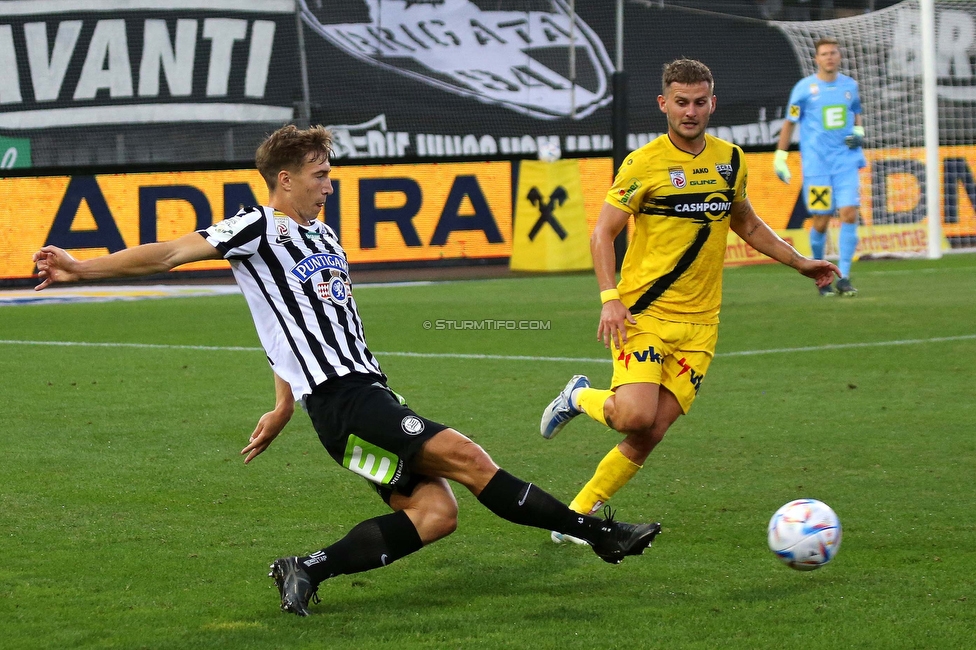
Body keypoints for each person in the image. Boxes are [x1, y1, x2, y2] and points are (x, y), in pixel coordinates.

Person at [32, 124, 662, 618]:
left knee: (436, 517)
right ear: (284, 179)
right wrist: (84, 268)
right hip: (348, 403)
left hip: (345, 414)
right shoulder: (256, 228)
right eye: (319, 175)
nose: (328, 184)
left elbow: (284, 330)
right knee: (472, 461)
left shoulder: (326, 238)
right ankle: (596, 534)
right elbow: (170, 252)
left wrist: (282, 404)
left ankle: (306, 567)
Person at [538, 59, 839, 545]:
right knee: (632, 415)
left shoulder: (730, 160)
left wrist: (799, 261)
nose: (691, 111)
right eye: (681, 102)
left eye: (700, 102)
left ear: (712, 103)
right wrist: (610, 298)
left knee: (649, 432)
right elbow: (603, 232)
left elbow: (748, 223)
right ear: (664, 104)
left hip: (701, 325)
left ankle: (580, 512)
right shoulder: (643, 164)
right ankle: (577, 396)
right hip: (645, 314)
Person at [774, 37, 866, 297]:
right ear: (816, 59)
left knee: (849, 213)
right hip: (817, 166)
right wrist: (780, 157)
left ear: (839, 56)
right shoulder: (804, 89)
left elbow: (856, 113)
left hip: (846, 162)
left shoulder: (850, 86)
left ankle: (845, 277)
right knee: (822, 220)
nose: (829, 57)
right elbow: (790, 123)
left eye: (833, 53)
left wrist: (858, 133)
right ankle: (820, 274)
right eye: (824, 53)